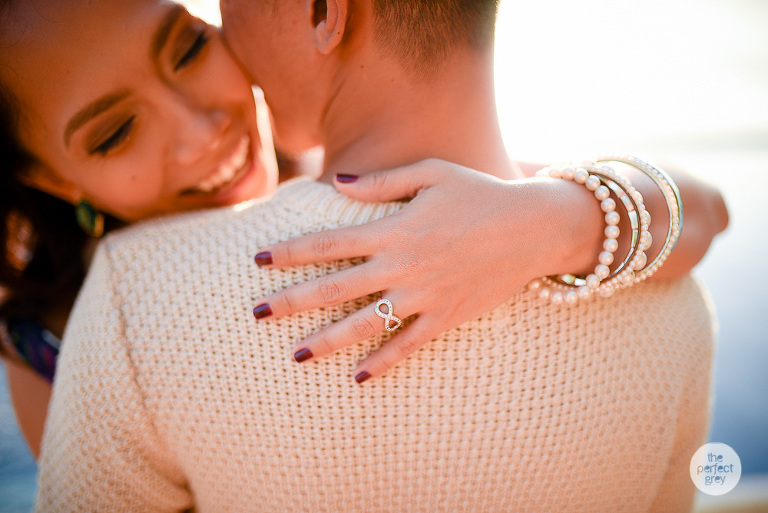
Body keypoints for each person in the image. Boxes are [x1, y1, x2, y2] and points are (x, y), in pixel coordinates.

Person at [33, 0, 719, 510]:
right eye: (115, 130)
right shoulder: (670, 295)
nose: (227, 26)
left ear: (324, 11)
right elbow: (700, 210)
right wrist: (574, 220)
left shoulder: (133, 300)